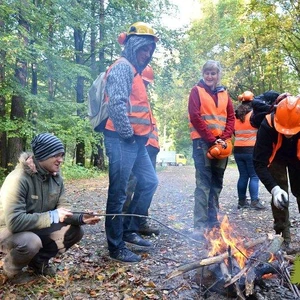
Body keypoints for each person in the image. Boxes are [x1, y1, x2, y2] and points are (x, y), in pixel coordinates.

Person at [0, 133, 100, 283]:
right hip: (7, 229)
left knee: (74, 231)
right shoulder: (18, 179)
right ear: (43, 155)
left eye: (62, 155)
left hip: (34, 225)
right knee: (31, 242)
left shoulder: (56, 178)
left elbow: (62, 208)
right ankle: (11, 270)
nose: (60, 160)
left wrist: (81, 217)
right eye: (56, 155)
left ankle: (38, 263)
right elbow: (15, 222)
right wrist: (53, 216)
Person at [103, 22, 159, 263]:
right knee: (117, 192)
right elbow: (116, 105)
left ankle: (129, 229)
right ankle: (115, 247)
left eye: (150, 50)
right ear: (133, 46)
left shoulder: (136, 71)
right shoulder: (122, 68)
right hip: (121, 139)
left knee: (149, 181)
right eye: (143, 49)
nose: (146, 54)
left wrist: (141, 137)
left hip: (136, 142)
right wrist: (128, 135)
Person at [188, 60, 235, 239]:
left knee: (216, 184)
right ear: (203, 73)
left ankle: (213, 221)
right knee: (203, 185)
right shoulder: (196, 91)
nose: (210, 76)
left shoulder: (225, 94)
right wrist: (212, 139)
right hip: (203, 143)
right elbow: (195, 116)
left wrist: (223, 138)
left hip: (221, 146)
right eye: (207, 72)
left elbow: (231, 117)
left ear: (218, 75)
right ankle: (199, 225)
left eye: (213, 73)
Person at [253, 95, 300, 251]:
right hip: (276, 157)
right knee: (280, 198)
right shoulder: (267, 125)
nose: (288, 134)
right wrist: (274, 189)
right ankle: (282, 239)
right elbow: (259, 163)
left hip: (298, 157)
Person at [123, 65, 160, 236]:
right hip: (134, 146)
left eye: (146, 83)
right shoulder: (127, 94)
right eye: (143, 82)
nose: (144, 85)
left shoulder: (142, 97)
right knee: (129, 185)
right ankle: (123, 223)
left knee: (147, 185)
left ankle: (139, 221)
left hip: (149, 146)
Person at [234, 91, 265, 210]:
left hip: (238, 150)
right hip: (251, 150)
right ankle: (254, 201)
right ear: (253, 101)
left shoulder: (236, 116)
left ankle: (241, 202)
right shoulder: (254, 115)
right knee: (254, 176)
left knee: (243, 176)